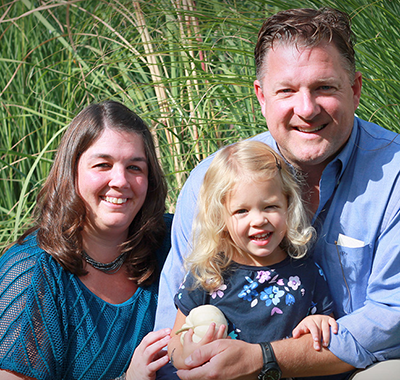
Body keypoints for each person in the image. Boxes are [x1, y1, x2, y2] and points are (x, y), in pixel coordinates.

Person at [155, 6, 400, 380]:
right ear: (261, 96)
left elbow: (390, 318)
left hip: (354, 369)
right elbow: (171, 327)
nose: (306, 109)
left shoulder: (393, 176)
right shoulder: (214, 180)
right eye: (286, 90)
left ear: (355, 90)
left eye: (325, 87)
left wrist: (265, 359)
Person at [0, 100, 173, 380]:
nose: (120, 180)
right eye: (103, 165)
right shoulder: (33, 273)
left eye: (135, 167)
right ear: (72, 171)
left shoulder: (171, 244)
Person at [167, 140, 338, 371]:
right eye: (241, 211)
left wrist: (316, 323)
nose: (258, 220)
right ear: (221, 218)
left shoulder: (305, 271)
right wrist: (185, 356)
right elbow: (175, 341)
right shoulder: (209, 274)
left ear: (288, 204)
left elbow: (328, 324)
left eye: (270, 207)